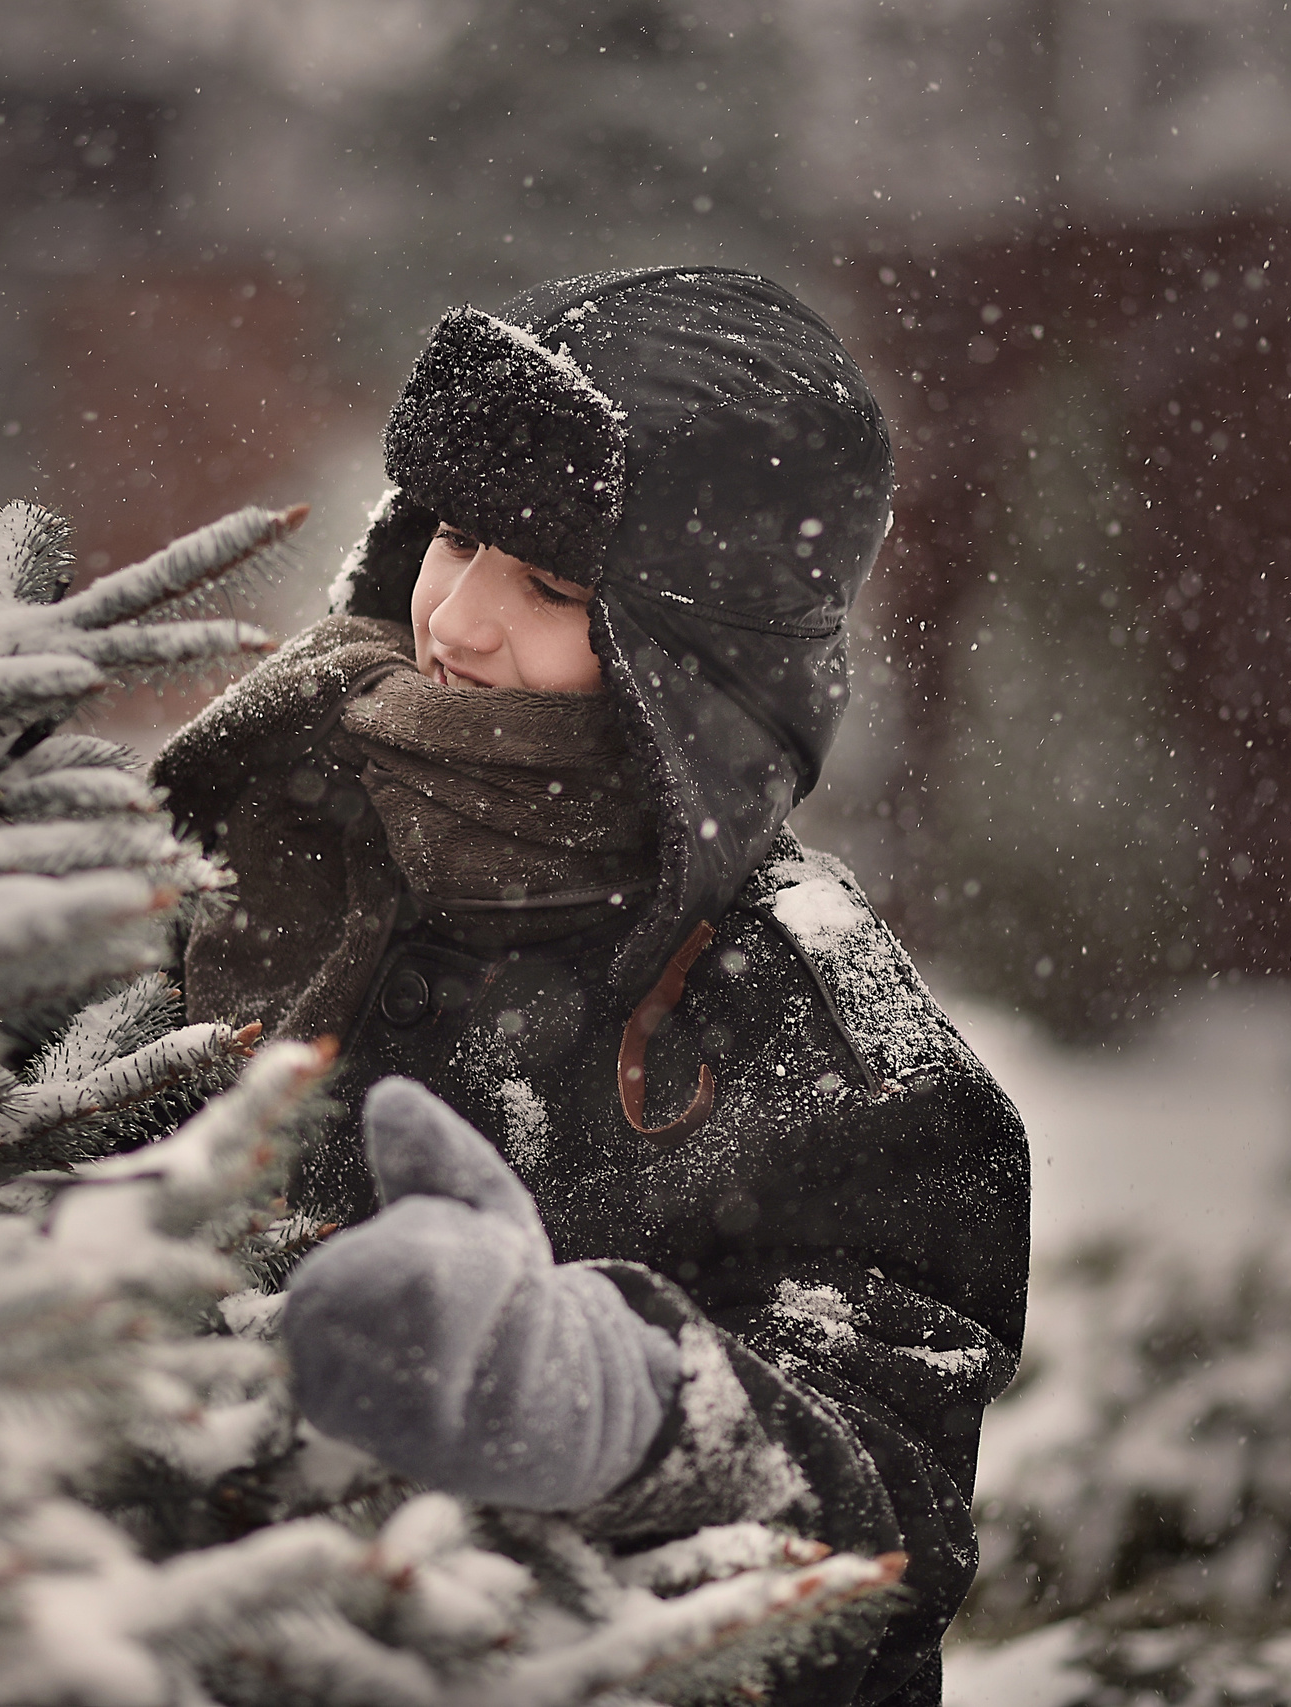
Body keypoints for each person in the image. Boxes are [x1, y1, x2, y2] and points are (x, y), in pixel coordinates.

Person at [153, 267, 1029, 1707]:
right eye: (453, 539)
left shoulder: (819, 1039)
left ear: (697, 666)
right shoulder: (257, 830)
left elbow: (882, 1532)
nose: (459, 623)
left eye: (550, 587)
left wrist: (620, 1407)